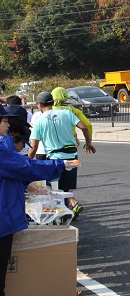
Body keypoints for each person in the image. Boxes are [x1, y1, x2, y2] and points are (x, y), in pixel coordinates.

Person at [0, 104, 69, 296]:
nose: (6, 125)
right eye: (4, 120)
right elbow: (25, 167)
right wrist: (60, 164)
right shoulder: (1, 148)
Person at [28, 92, 96, 219]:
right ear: (53, 102)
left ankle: (60, 214)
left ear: (39, 105)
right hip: (72, 156)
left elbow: (34, 147)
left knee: (53, 188)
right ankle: (71, 208)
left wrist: (26, 162)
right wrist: (88, 143)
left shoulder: (39, 121)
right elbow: (84, 127)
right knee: (66, 186)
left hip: (54, 160)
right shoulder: (67, 113)